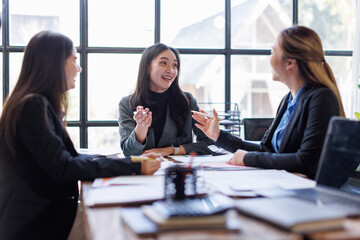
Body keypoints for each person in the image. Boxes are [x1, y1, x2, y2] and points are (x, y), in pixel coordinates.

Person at [0, 31, 161, 240]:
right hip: (36, 225)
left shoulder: (37, 103)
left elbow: (68, 159)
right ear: (53, 63)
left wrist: (124, 161)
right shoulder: (33, 106)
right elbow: (63, 166)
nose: (79, 68)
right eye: (74, 60)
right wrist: (134, 165)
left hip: (45, 216)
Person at [193, 25, 345, 179]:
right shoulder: (287, 100)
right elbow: (266, 151)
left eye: (272, 51)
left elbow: (306, 161)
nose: (269, 57)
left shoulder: (321, 98)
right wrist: (218, 135)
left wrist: (247, 159)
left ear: (290, 63)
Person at [118, 43, 213, 157]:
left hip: (179, 171)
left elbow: (209, 144)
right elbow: (129, 152)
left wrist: (172, 150)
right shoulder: (127, 104)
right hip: (145, 173)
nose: (171, 70)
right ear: (147, 68)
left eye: (175, 65)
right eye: (163, 63)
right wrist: (141, 128)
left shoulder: (187, 101)